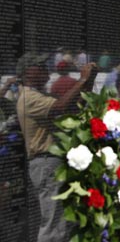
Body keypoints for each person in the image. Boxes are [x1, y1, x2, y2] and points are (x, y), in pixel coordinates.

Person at [16, 53, 96, 242]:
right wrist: (82, 79)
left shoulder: (41, 94)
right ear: (28, 72)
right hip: (46, 162)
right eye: (40, 66)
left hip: (55, 161)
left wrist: (89, 82)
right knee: (54, 223)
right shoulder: (29, 97)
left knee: (65, 222)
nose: (46, 69)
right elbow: (60, 108)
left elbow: (72, 110)